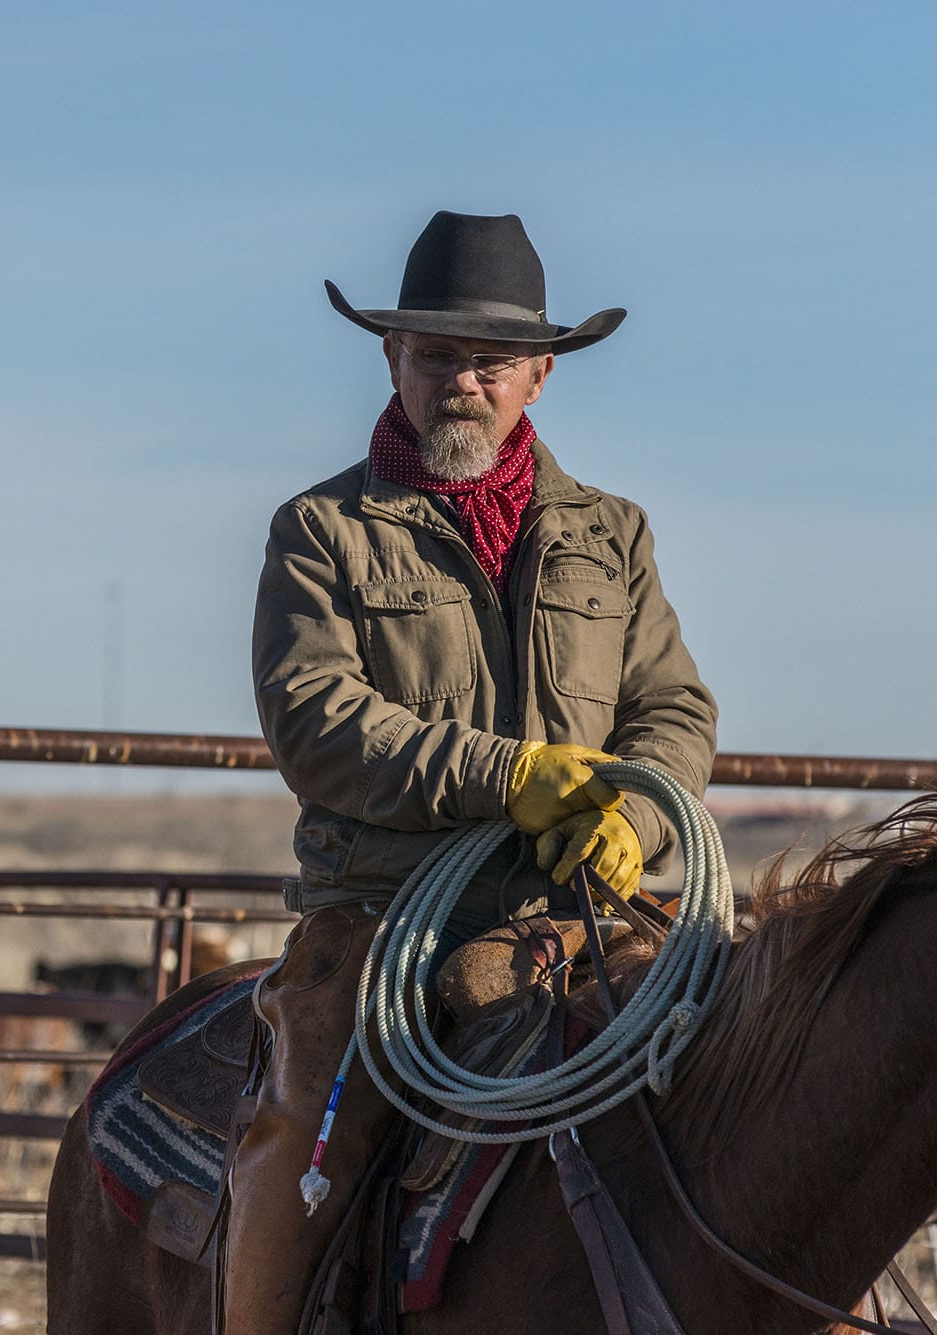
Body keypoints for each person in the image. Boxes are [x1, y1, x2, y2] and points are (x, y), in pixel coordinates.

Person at [231, 211, 718, 1330]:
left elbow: (672, 707)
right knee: (314, 1121)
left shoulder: (612, 535)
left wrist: (632, 825)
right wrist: (509, 777)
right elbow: (313, 717)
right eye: (438, 354)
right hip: (385, 911)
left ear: (537, 377)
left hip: (583, 911)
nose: (464, 381)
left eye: (489, 361)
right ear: (391, 359)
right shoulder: (323, 530)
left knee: (743, 1067)